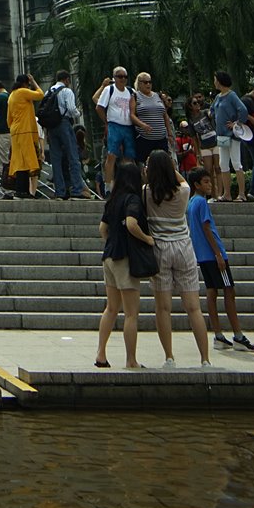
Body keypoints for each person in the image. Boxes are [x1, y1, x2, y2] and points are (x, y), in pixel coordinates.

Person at [143, 149, 211, 367]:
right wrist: (169, 167)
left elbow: (147, 181)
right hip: (183, 246)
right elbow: (181, 180)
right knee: (194, 307)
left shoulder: (146, 192)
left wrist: (151, 170)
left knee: (163, 308)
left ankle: (169, 357)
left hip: (159, 248)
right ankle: (205, 359)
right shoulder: (184, 191)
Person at [186, 165, 254, 352]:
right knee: (229, 291)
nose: (209, 185)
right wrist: (218, 253)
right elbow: (207, 228)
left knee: (212, 292)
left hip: (202, 256)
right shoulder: (201, 203)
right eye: (205, 182)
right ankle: (238, 335)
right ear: (196, 184)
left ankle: (218, 335)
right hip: (213, 255)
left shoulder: (191, 203)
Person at [94, 157, 152, 369]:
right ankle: (131, 359)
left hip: (109, 256)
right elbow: (131, 223)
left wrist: (112, 241)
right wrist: (147, 239)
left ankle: (101, 354)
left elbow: (102, 229)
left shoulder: (113, 199)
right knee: (131, 313)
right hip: (125, 258)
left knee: (111, 308)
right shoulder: (133, 200)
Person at [44, 69, 89, 200]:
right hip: (64, 123)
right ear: (67, 79)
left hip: (51, 127)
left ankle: (60, 191)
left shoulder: (48, 91)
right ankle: (76, 189)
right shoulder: (66, 91)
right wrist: (78, 113)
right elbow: (71, 108)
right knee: (73, 157)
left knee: (56, 159)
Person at [211, 70, 251, 203]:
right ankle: (227, 194)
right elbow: (212, 110)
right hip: (221, 135)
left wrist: (236, 123)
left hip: (232, 134)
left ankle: (241, 194)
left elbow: (243, 110)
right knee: (223, 163)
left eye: (215, 79)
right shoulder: (218, 97)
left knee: (236, 162)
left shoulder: (232, 95)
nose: (214, 82)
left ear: (220, 81)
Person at [95, 67, 139, 189]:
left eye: (125, 77)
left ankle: (130, 184)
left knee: (129, 157)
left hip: (128, 126)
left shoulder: (130, 91)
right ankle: (108, 187)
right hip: (114, 125)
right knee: (111, 155)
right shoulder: (109, 90)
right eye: (120, 76)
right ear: (114, 78)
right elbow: (99, 107)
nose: (123, 79)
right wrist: (106, 121)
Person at [7, 74, 45, 198]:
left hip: (15, 131)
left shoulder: (12, 95)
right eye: (28, 84)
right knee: (27, 161)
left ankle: (21, 191)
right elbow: (40, 95)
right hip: (24, 131)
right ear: (25, 83)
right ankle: (23, 191)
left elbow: (9, 119)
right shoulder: (22, 92)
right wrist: (33, 81)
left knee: (20, 161)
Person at [132, 71, 174, 165]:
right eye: (145, 82)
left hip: (161, 138)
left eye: (150, 82)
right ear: (139, 83)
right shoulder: (135, 96)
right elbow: (131, 115)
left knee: (163, 163)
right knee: (143, 164)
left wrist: (170, 134)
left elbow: (165, 115)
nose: (148, 84)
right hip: (144, 138)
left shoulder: (157, 96)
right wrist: (142, 125)